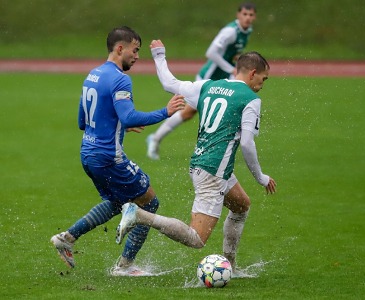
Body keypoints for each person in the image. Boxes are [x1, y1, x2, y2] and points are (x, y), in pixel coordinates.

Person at [115, 39, 276, 276]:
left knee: (241, 205)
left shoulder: (208, 86)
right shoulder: (251, 99)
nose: (262, 85)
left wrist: (159, 55)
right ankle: (139, 215)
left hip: (206, 165)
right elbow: (247, 143)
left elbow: (169, 83)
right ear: (253, 73)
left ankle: (230, 265)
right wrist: (261, 177)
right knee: (196, 238)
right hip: (213, 172)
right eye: (263, 79)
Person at [50, 27, 185, 276]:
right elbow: (129, 115)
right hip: (108, 157)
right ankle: (125, 266)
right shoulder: (121, 79)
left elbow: (83, 121)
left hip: (88, 155)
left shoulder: (93, 74)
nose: (137, 56)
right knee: (149, 203)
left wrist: (119, 123)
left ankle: (67, 238)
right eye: (135, 50)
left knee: (116, 202)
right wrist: (165, 112)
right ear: (120, 48)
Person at [146, 2, 257, 160]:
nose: (248, 18)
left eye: (251, 15)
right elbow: (211, 52)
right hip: (207, 79)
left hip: (222, 80)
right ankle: (156, 139)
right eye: (245, 14)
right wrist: (231, 68)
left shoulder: (247, 31)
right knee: (188, 112)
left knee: (191, 113)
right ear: (238, 15)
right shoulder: (230, 31)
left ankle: (157, 138)